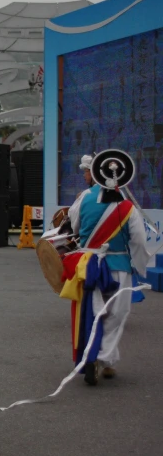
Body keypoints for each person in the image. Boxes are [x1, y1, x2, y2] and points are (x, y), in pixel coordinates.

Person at [61, 149, 149, 385]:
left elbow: (75, 227)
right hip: (119, 267)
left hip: (89, 265)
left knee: (92, 312)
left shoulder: (83, 198)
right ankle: (104, 357)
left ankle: (98, 357)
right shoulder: (128, 207)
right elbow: (139, 241)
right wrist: (139, 267)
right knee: (117, 314)